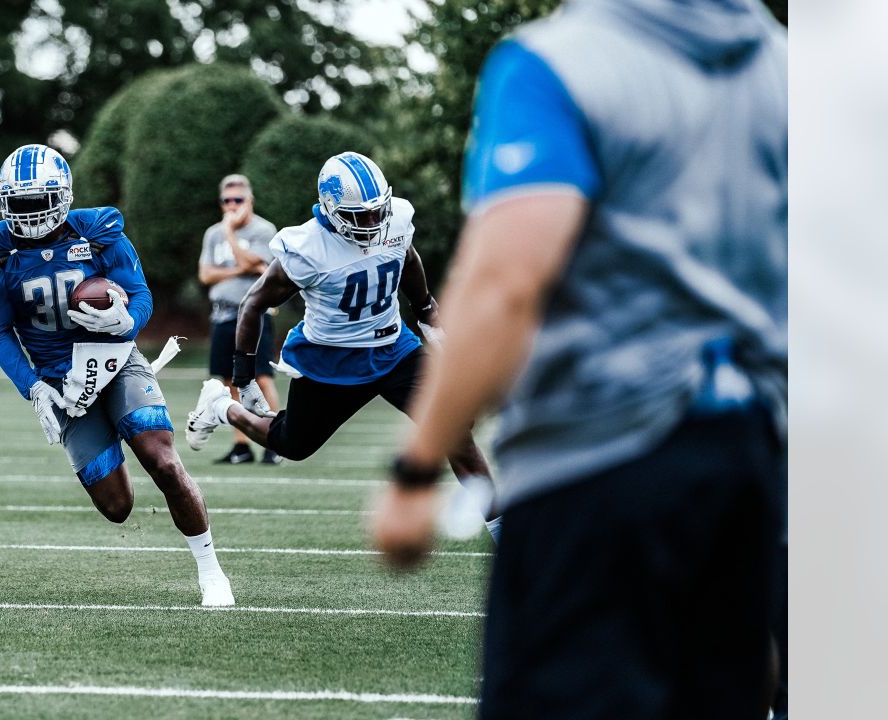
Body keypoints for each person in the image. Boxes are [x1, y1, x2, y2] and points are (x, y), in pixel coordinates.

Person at [371, 1, 787, 718]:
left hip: (600, 462)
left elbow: (506, 282)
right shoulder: (783, 65)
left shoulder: (557, 61)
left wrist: (415, 470)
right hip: (750, 460)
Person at [0, 143, 234, 607]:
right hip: (61, 384)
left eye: (39, 201)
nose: (31, 214)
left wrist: (127, 322)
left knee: (163, 459)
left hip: (115, 361)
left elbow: (139, 293)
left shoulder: (96, 233)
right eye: (21, 204)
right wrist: (32, 387)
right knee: (117, 508)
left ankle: (211, 572)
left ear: (64, 197)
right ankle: (110, 435)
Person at [185, 152, 496, 534]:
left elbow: (408, 259)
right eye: (358, 215)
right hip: (330, 362)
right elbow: (253, 304)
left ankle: (508, 539)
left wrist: (426, 309)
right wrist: (244, 379)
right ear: (330, 209)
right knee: (292, 445)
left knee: (456, 433)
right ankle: (221, 407)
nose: (372, 222)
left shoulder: (395, 219)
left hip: (393, 348)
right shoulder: (308, 248)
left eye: (377, 211)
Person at [197, 174, 282, 464]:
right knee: (229, 380)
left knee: (261, 376)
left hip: (253, 314)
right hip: (222, 314)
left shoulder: (263, 229)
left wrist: (232, 233)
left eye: (238, 200)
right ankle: (241, 446)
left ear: (250, 201)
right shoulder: (212, 233)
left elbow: (254, 265)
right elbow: (206, 275)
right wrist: (243, 268)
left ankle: (274, 442)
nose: (232, 206)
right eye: (227, 200)